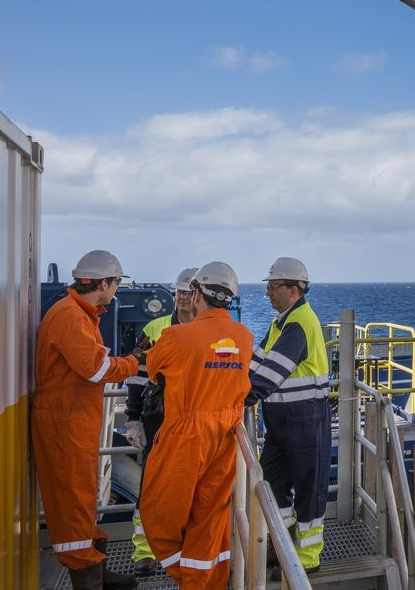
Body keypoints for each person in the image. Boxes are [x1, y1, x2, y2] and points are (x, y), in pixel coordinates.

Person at [31, 250, 142, 590]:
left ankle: (96, 567)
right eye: (116, 283)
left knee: (83, 497)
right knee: (73, 500)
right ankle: (87, 578)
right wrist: (136, 361)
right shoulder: (71, 317)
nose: (117, 290)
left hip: (73, 420)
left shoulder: (79, 313)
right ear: (103, 283)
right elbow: (96, 369)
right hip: (66, 423)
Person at [139, 261, 253, 589]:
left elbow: (153, 369)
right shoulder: (244, 337)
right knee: (208, 518)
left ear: (197, 293)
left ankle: (187, 577)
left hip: (185, 434)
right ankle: (204, 582)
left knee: (157, 516)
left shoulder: (176, 335)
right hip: (226, 435)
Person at [248, 256, 331, 573]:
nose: (267, 293)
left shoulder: (299, 324)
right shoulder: (280, 323)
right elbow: (256, 364)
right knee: (271, 482)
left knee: (309, 489)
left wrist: (239, 398)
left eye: (272, 286)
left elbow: (270, 374)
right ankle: (283, 542)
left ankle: (307, 559)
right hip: (281, 424)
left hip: (306, 421)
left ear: (293, 289)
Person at [125, 266, 198, 576]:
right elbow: (137, 376)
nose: (181, 297)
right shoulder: (155, 329)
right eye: (178, 292)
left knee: (195, 488)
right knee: (151, 487)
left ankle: (190, 549)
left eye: (187, 292)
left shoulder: (207, 330)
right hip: (158, 420)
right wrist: (133, 419)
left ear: (198, 295)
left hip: (196, 424)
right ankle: (144, 552)